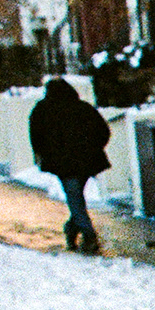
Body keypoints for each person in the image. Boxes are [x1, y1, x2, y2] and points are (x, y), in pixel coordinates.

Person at [28, 78, 111, 255]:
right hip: (87, 162)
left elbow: (36, 137)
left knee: (74, 197)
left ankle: (88, 234)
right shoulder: (83, 108)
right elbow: (103, 131)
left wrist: (45, 154)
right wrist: (94, 148)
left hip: (62, 164)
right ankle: (74, 229)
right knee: (76, 197)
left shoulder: (42, 110)